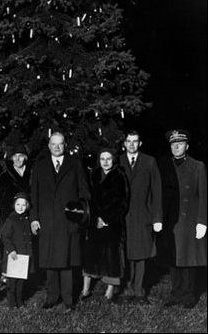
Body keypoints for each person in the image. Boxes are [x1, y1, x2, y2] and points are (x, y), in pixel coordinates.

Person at [30, 132, 91, 311]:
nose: (57, 147)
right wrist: (34, 218)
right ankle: (52, 297)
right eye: (53, 144)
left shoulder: (74, 164)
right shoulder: (40, 166)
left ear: (65, 145)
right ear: (49, 146)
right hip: (47, 221)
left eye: (60, 144)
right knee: (50, 260)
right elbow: (34, 195)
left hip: (68, 220)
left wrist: (80, 215)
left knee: (67, 260)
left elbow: (84, 191)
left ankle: (67, 298)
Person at [156, 129, 207, 308]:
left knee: (190, 258)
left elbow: (203, 195)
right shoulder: (163, 165)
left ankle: (189, 295)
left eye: (180, 143)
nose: (176, 147)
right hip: (171, 220)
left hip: (190, 220)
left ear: (187, 145)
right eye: (173, 144)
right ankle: (176, 293)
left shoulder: (197, 166)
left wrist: (202, 221)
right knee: (174, 258)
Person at [119, 130, 162, 302]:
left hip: (143, 215)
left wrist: (157, 218)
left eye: (135, 141)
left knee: (142, 254)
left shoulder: (150, 162)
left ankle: (139, 290)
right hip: (123, 217)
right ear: (124, 143)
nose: (131, 144)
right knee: (126, 253)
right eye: (128, 141)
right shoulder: (118, 161)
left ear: (140, 143)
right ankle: (127, 288)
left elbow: (156, 191)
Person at [81, 148, 129, 302]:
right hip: (94, 222)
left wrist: (106, 219)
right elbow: (88, 199)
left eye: (109, 159)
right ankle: (86, 288)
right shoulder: (93, 175)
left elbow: (123, 202)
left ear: (113, 160)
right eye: (102, 159)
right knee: (90, 254)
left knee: (112, 256)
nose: (105, 162)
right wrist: (94, 218)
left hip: (112, 223)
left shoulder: (120, 176)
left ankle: (110, 290)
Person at [1, 192, 34, 308]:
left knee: (21, 281)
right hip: (14, 255)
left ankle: (20, 301)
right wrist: (11, 250)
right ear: (14, 205)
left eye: (23, 205)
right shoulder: (11, 219)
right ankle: (12, 302)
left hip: (24, 254)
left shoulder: (26, 218)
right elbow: (5, 236)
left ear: (27, 206)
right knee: (12, 281)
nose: (20, 207)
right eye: (18, 204)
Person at [0, 144, 31, 222]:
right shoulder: (4, 176)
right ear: (12, 158)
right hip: (9, 217)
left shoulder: (33, 174)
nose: (17, 159)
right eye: (15, 156)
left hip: (29, 216)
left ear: (25, 158)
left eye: (20, 156)